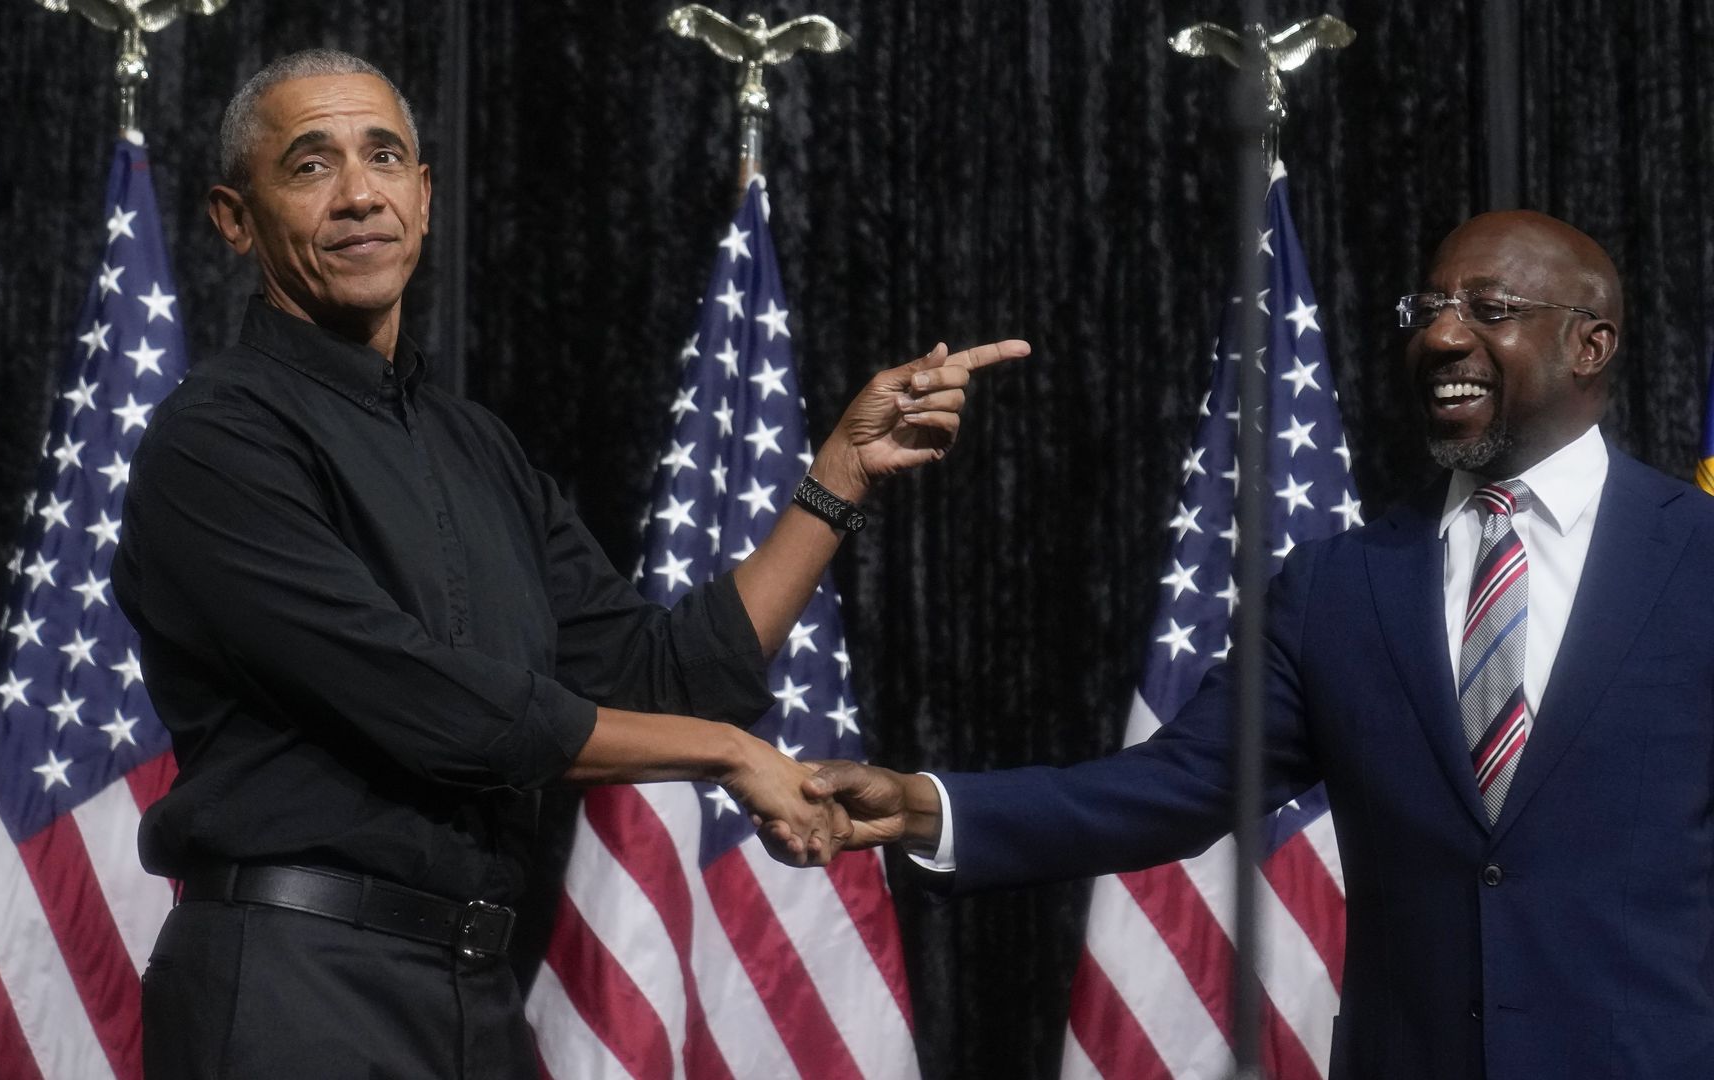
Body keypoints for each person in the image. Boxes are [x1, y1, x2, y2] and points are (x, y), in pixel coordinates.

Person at [110, 49, 1026, 1080]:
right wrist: (727, 754)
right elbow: (429, 704)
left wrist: (840, 478)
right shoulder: (214, 441)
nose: (359, 194)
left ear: (425, 194)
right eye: (312, 165)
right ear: (235, 217)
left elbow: (662, 671)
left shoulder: (476, 449)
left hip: (473, 992)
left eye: (385, 157)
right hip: (292, 986)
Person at [799, 210, 1714, 1080]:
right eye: (1427, 309)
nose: (1441, 337)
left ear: (1591, 343)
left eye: (1490, 310)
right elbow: (1178, 785)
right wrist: (927, 807)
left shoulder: (1698, 560)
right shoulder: (1340, 586)